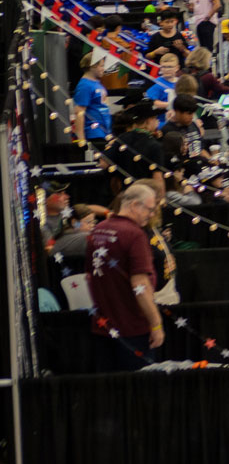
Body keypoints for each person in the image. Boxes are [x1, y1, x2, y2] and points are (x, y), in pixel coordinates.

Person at [85, 184, 164, 372]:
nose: (152, 215)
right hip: (132, 330)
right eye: (150, 209)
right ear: (135, 205)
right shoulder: (135, 235)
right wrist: (156, 324)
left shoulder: (97, 231)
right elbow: (140, 285)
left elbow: (89, 277)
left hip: (103, 327)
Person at [73, 52, 111, 146]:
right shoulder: (85, 86)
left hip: (104, 131)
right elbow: (79, 112)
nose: (103, 69)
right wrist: (81, 138)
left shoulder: (97, 83)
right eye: (101, 66)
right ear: (93, 66)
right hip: (93, 133)